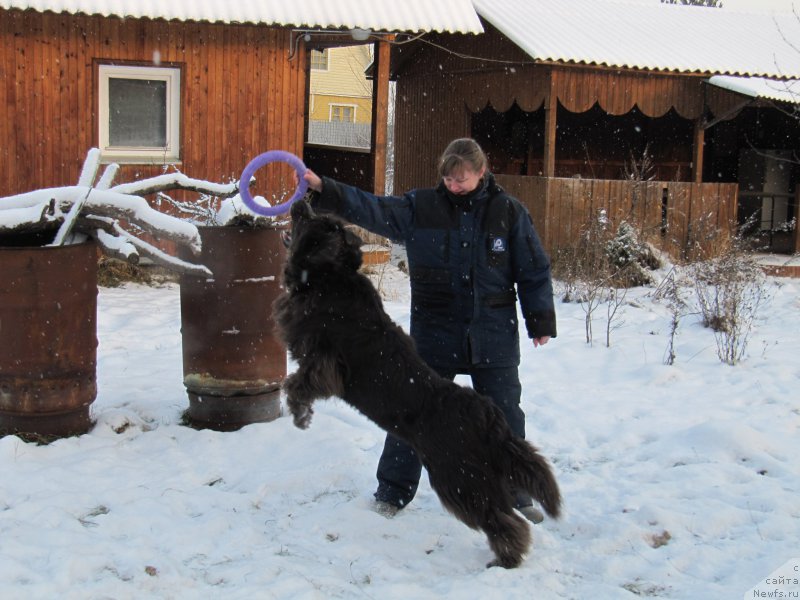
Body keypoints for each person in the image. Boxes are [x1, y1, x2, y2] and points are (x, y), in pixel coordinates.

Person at [301, 138, 556, 523]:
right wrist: (326, 189)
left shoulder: (508, 213)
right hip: (435, 334)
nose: (454, 185)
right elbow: (373, 208)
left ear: (482, 173)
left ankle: (516, 493)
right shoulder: (421, 208)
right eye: (449, 179)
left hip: (493, 334)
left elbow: (533, 270)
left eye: (462, 179)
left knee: (505, 416)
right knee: (412, 412)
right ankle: (392, 491)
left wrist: (540, 320)